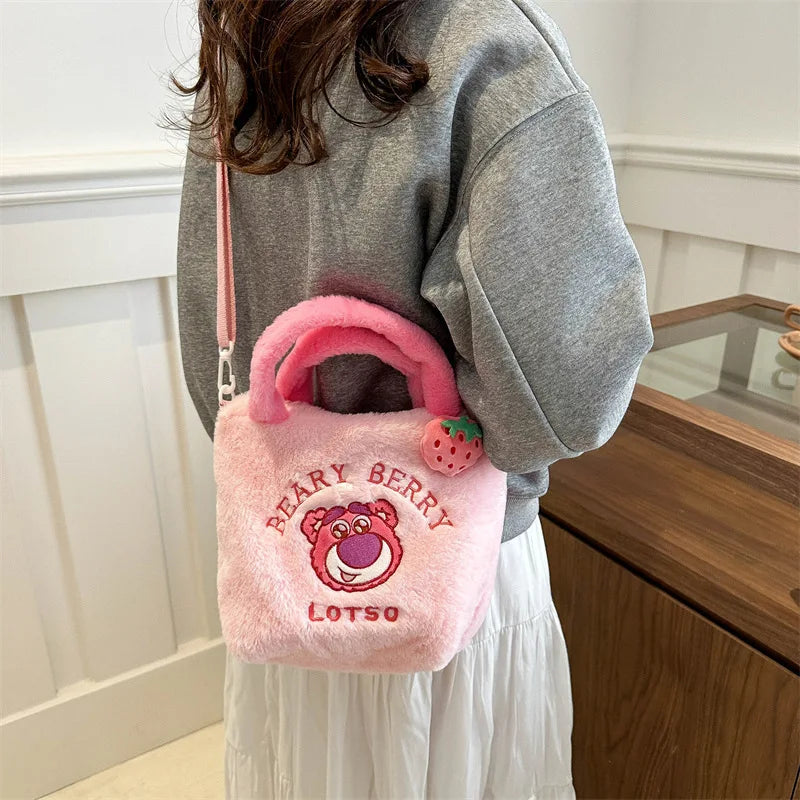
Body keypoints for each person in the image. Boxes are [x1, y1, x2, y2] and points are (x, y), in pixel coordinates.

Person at [173, 0, 654, 797]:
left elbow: (215, 359)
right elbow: (566, 392)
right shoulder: (484, 40)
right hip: (451, 567)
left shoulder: (242, 36)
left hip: (290, 563)